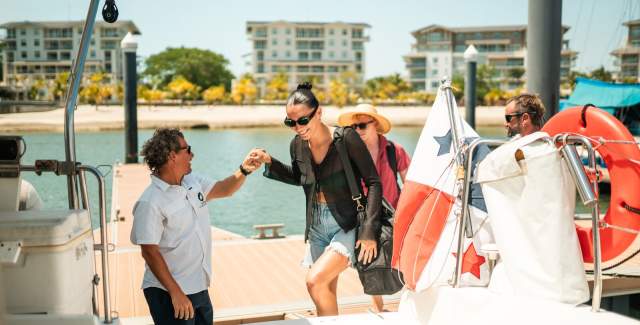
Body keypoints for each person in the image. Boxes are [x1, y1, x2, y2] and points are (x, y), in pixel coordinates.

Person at [252, 83, 382, 316]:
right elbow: (299, 177)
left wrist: (369, 231)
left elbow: (374, 182)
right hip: (316, 225)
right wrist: (269, 161)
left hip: (348, 222)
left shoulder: (346, 139)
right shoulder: (297, 145)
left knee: (315, 281)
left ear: (319, 112)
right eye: (290, 123)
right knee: (325, 293)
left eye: (303, 120)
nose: (298, 128)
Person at [130, 128, 262, 325]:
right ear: (172, 156)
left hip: (198, 285)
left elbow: (224, 189)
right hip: (168, 292)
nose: (192, 155)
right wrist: (176, 293)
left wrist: (244, 169)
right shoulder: (151, 201)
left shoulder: (192, 181)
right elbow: (149, 251)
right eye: (187, 149)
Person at [337, 103, 411, 312]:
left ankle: (407, 299)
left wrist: (407, 213)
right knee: (369, 260)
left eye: (362, 126)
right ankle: (378, 307)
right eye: (353, 128)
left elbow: (410, 182)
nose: (357, 131)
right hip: (365, 216)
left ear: (375, 125)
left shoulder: (394, 150)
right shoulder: (348, 154)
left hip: (395, 214)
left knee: (403, 257)